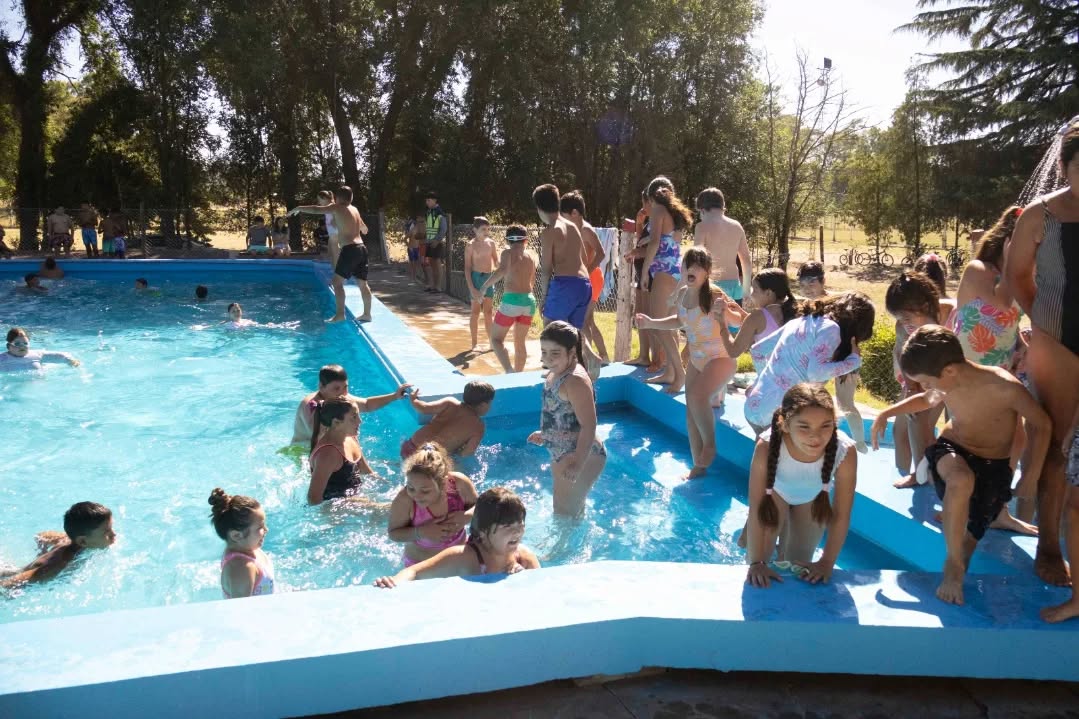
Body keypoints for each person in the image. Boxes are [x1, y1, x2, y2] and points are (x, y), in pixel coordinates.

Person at [869, 326, 1051, 606]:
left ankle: (968, 543)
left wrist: (1032, 474)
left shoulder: (1005, 387)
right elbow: (926, 400)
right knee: (960, 481)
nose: (926, 387)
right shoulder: (947, 382)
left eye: (927, 381)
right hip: (951, 449)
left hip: (992, 466)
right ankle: (953, 565)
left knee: (973, 534)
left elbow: (1043, 424)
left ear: (950, 370)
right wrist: (887, 412)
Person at [1005, 118, 1079, 613]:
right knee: (1054, 444)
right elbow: (1017, 275)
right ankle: (1048, 544)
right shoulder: (1041, 213)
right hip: (1057, 342)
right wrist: (1043, 321)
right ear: (1066, 167)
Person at [954, 206, 1035, 533]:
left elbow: (1008, 321)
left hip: (1000, 371)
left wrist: (1021, 345)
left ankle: (995, 508)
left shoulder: (1017, 275)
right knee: (975, 441)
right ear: (1008, 240)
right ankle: (965, 506)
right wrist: (1015, 264)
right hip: (968, 371)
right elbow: (1000, 304)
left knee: (1015, 439)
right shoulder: (978, 270)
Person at [636, 249, 740, 478]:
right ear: (682, 269)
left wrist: (725, 312)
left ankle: (710, 444)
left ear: (707, 272)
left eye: (698, 266)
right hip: (698, 360)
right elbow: (678, 320)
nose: (691, 269)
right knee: (691, 412)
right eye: (687, 265)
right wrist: (652, 322)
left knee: (696, 397)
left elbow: (739, 320)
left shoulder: (713, 295)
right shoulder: (683, 294)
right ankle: (698, 466)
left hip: (721, 358)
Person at [744, 384, 858, 589]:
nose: (816, 436)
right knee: (758, 563)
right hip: (774, 494)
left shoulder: (845, 451)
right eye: (804, 427)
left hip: (813, 499)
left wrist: (827, 562)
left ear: (835, 422)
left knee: (798, 565)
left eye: (825, 425)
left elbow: (841, 515)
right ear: (786, 425)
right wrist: (756, 563)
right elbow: (756, 509)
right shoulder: (767, 446)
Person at [740, 292, 875, 434]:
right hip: (780, 415)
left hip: (754, 405)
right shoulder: (831, 329)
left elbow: (758, 350)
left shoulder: (799, 321)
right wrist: (853, 361)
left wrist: (762, 381)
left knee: (764, 448)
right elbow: (815, 373)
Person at [373, 487, 539, 587]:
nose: (517, 532)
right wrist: (394, 582)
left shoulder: (523, 558)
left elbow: (542, 592)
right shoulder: (463, 558)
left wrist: (524, 581)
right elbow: (414, 572)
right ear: (483, 531)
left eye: (520, 524)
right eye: (507, 527)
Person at [885, 269, 957, 487]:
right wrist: (910, 387)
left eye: (906, 317)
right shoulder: (904, 326)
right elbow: (902, 354)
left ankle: (937, 475)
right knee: (908, 422)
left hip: (953, 379)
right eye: (899, 318)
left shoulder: (954, 315)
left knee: (946, 428)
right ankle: (916, 473)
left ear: (925, 306)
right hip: (927, 378)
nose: (903, 323)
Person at [528, 322, 606, 516]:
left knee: (563, 512)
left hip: (578, 453)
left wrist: (578, 463)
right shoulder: (557, 371)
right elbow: (561, 411)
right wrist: (547, 433)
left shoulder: (574, 381)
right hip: (565, 449)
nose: (547, 358)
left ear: (571, 352)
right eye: (544, 352)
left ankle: (570, 538)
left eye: (555, 353)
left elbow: (589, 425)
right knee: (570, 510)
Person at [386, 442, 479, 567]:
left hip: (459, 560)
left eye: (425, 491)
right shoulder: (405, 500)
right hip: (421, 565)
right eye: (411, 488)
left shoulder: (459, 484)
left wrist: (467, 516)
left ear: (443, 483)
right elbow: (393, 534)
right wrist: (421, 532)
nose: (416, 496)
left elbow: (480, 506)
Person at [641, 177, 693, 394]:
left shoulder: (657, 210)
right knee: (669, 326)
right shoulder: (673, 213)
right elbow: (667, 240)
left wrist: (644, 271)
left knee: (658, 325)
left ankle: (679, 374)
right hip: (675, 271)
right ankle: (671, 372)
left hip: (662, 271)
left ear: (651, 197)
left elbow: (655, 242)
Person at [289, 185, 372, 323]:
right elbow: (364, 229)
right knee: (363, 283)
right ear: (351, 198)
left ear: (338, 198)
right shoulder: (355, 209)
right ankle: (367, 314)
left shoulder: (337, 207)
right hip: (362, 248)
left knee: (336, 282)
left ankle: (340, 315)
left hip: (350, 249)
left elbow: (316, 209)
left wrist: (298, 208)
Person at [0, 502, 115, 588]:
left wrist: (43, 552)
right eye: (107, 532)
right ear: (83, 541)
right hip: (14, 573)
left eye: (111, 528)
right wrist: (43, 559)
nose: (114, 534)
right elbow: (9, 584)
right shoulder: (59, 564)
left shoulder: (68, 539)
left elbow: (41, 536)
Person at [291, 364, 410, 445]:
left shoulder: (340, 398)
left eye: (345, 387)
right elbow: (323, 438)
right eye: (336, 388)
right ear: (321, 386)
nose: (343, 393)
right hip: (301, 451)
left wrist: (395, 396)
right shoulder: (310, 406)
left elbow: (367, 404)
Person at [479, 225, 537, 373]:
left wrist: (485, 286)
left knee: (495, 340)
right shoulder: (531, 256)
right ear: (526, 240)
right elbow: (532, 281)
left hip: (512, 302)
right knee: (520, 343)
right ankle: (518, 375)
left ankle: (509, 371)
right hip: (529, 302)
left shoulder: (507, 253)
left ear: (507, 241)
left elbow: (503, 270)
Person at [560, 190, 609, 363]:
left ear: (575, 213)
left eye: (564, 216)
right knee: (588, 321)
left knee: (584, 320)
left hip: (592, 277)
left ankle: (589, 358)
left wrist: (586, 272)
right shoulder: (571, 229)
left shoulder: (586, 230)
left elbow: (601, 254)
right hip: (581, 278)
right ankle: (602, 356)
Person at [208, 488, 274, 599]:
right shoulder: (242, 569)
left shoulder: (246, 546)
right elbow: (241, 609)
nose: (266, 529)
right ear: (236, 535)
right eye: (260, 527)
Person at [401, 380, 495, 458]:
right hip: (431, 458)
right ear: (483, 405)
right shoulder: (478, 426)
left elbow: (423, 408)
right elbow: (467, 453)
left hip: (411, 446)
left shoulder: (450, 403)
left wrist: (413, 400)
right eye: (490, 403)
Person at [718, 268, 797, 360]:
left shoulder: (756, 318)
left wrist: (722, 323)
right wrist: (742, 313)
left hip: (769, 370)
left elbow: (733, 351)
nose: (751, 295)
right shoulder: (796, 312)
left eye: (755, 290)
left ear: (768, 293)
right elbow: (767, 327)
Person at [308, 397, 371, 504]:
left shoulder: (350, 437)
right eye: (354, 417)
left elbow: (366, 471)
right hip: (337, 506)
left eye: (358, 415)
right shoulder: (328, 454)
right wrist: (350, 503)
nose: (360, 421)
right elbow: (313, 499)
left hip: (355, 499)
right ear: (336, 422)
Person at [694, 187, 752, 304]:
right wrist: (746, 290)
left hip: (711, 287)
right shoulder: (736, 226)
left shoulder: (701, 227)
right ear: (722, 206)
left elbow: (696, 260)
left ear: (702, 209)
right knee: (734, 316)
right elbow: (746, 260)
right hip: (735, 287)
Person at [626, 192, 661, 370]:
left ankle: (657, 359)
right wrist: (639, 223)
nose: (643, 207)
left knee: (650, 317)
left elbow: (656, 248)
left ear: (651, 202)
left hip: (653, 275)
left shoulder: (660, 222)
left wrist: (636, 253)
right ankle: (643, 356)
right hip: (642, 274)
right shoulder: (650, 222)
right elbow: (641, 242)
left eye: (644, 203)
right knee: (640, 314)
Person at [464, 216, 499, 351]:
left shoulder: (491, 243)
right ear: (475, 230)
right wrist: (472, 288)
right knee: (475, 312)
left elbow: (496, 262)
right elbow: (467, 268)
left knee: (489, 312)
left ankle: (491, 343)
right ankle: (474, 343)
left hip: (489, 279)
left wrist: (503, 263)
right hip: (476, 279)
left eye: (488, 229)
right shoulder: (470, 245)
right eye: (483, 229)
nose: (486, 232)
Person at [0, 327, 79, 371]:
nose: (22, 346)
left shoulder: (36, 355)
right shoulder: (3, 359)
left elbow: (61, 355)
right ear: (9, 346)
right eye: (17, 344)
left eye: (25, 343)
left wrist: (71, 360)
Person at [423, 191, 449, 293]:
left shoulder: (439, 213)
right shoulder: (429, 212)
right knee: (432, 264)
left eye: (429, 200)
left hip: (436, 243)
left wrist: (437, 240)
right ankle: (433, 286)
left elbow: (443, 229)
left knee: (437, 265)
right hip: (429, 242)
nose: (427, 202)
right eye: (426, 200)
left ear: (435, 200)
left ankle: (438, 287)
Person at [316, 191, 340, 266]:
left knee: (335, 259)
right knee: (330, 255)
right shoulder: (327, 208)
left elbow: (340, 215)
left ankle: (338, 271)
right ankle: (334, 270)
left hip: (336, 236)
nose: (318, 202)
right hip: (332, 236)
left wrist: (335, 220)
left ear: (324, 198)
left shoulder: (332, 206)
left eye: (319, 199)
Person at [405, 213, 425, 283]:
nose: (420, 223)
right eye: (419, 222)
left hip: (417, 248)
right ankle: (412, 277)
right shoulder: (412, 230)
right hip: (411, 248)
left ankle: (415, 277)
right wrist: (408, 246)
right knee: (412, 263)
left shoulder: (421, 230)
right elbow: (405, 239)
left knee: (417, 263)